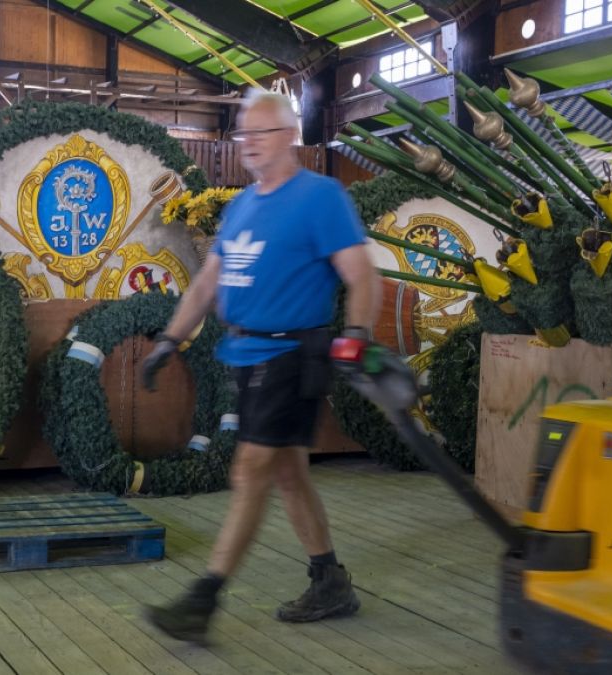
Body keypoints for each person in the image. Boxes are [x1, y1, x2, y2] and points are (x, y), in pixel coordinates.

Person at [141, 89, 382, 644]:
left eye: (259, 133)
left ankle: (202, 601)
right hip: (247, 353)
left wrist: (357, 337)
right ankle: (330, 581)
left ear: (288, 136)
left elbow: (362, 275)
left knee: (249, 472)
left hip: (292, 354)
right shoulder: (243, 204)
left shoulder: (321, 197)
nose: (247, 143)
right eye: (241, 134)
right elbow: (209, 280)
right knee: (289, 474)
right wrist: (170, 339)